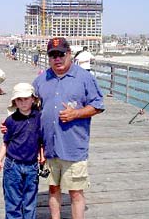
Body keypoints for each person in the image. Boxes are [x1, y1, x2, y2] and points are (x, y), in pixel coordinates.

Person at [32, 37, 104, 219]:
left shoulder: (85, 77)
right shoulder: (40, 80)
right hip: (49, 147)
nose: (57, 58)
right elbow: (29, 110)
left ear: (69, 54)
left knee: (75, 193)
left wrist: (76, 113)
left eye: (61, 54)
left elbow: (98, 105)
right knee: (53, 188)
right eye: (52, 55)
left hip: (74, 146)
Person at [0, 83, 44, 219]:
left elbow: (40, 140)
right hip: (12, 165)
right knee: (12, 202)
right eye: (19, 99)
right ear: (14, 101)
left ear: (33, 99)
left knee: (30, 202)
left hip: (32, 166)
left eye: (26, 99)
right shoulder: (10, 120)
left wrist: (42, 156)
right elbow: (6, 142)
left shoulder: (39, 118)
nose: (23, 103)